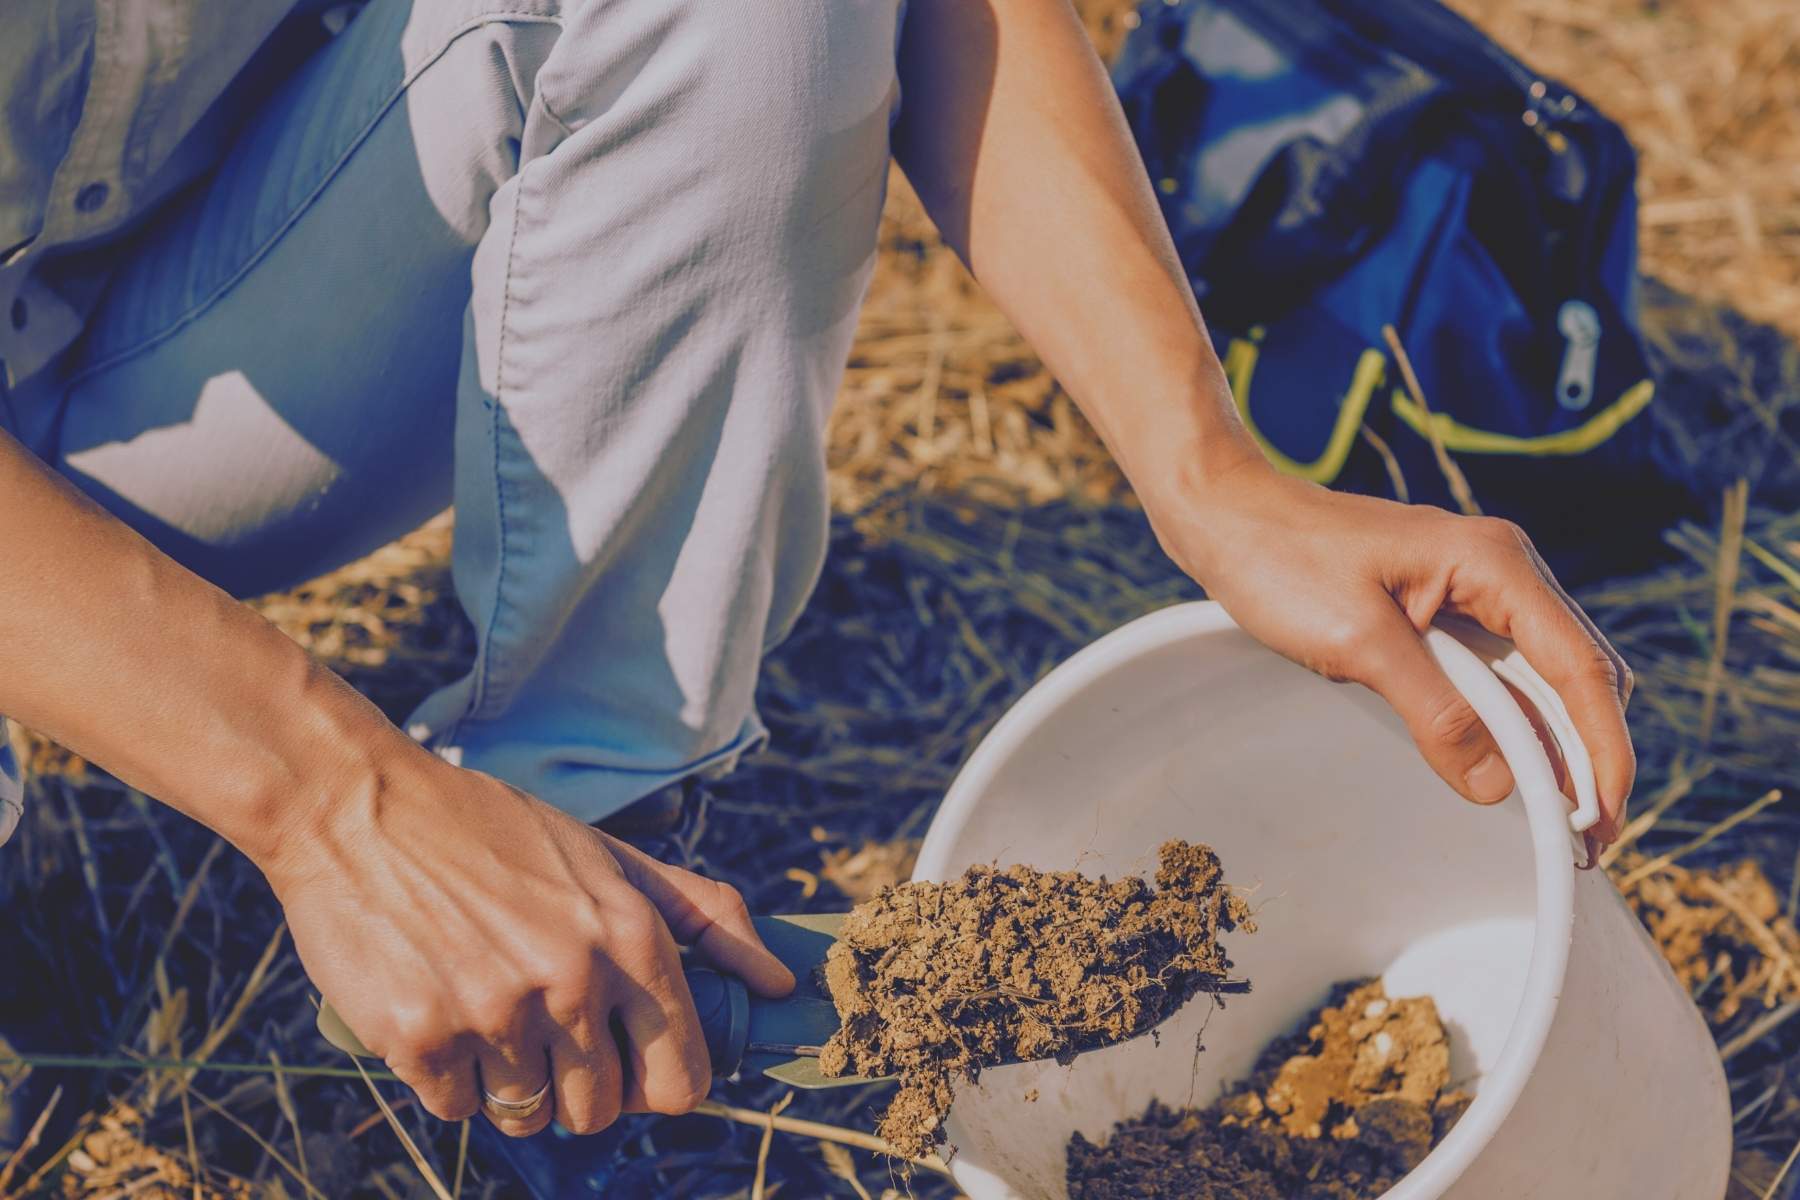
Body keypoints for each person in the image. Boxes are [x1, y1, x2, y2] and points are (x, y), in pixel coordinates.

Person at [0, 0, 1633, 1154]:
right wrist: (331, 798)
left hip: (201, 299)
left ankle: (582, 915)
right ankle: (427, 883)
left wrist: (1212, 476)